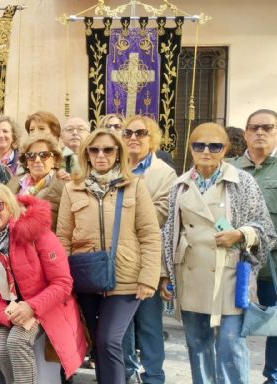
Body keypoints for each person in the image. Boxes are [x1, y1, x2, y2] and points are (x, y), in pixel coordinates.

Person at [161, 122, 277, 384]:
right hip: (190, 275)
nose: (206, 151)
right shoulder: (179, 186)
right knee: (197, 344)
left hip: (229, 276)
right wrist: (165, 274)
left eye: (214, 145)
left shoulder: (242, 182)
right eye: (199, 145)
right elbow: (169, 233)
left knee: (230, 345)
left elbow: (266, 230)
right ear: (190, 148)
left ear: (225, 149)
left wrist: (241, 234)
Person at [56, 129, 161, 384]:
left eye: (108, 150)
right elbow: (63, 238)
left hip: (125, 278)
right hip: (87, 276)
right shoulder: (72, 189)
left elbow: (149, 234)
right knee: (98, 343)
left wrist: (148, 277)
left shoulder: (135, 185)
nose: (101, 155)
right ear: (87, 154)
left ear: (118, 154)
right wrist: (62, 282)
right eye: (94, 150)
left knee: (110, 339)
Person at [0, 183, 87, 382]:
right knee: (0, 347)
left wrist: (31, 307)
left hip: (45, 305)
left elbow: (62, 282)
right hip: (6, 310)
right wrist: (7, 315)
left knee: (17, 341)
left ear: (10, 205)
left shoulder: (36, 231)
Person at [229, 109, 277, 384]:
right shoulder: (229, 167)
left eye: (267, 128)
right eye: (254, 127)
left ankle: (275, 378)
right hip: (234, 262)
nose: (259, 133)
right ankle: (233, 375)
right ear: (245, 134)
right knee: (231, 325)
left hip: (274, 263)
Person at [121, 115, 177, 384]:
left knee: (150, 325)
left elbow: (161, 214)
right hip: (116, 262)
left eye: (140, 133)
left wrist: (119, 215)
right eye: (128, 132)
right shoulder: (113, 167)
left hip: (147, 260)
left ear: (151, 138)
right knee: (120, 327)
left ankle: (154, 377)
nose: (133, 137)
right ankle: (127, 373)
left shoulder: (164, 173)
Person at [7, 133, 65, 231]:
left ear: (54, 160)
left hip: (47, 243)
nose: (37, 160)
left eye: (44, 155)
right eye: (31, 155)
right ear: (26, 162)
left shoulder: (63, 185)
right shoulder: (13, 182)